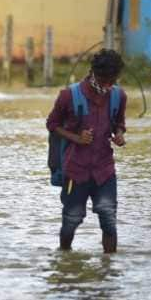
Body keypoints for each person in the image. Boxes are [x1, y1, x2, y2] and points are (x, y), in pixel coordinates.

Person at [46, 49, 127, 254]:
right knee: (71, 220)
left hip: (105, 170)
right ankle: (65, 259)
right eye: (103, 80)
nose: (107, 85)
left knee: (108, 218)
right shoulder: (68, 96)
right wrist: (76, 138)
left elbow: (119, 123)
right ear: (92, 73)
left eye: (112, 80)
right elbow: (52, 124)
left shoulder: (119, 96)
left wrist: (119, 134)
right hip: (75, 170)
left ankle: (109, 268)